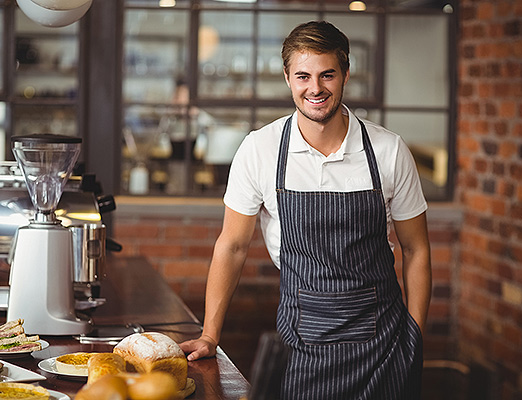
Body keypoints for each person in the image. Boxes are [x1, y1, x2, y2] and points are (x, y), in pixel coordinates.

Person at [180, 20, 432, 400]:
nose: (315, 88)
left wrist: (414, 337)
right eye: (303, 76)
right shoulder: (260, 150)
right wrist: (211, 334)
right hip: (303, 345)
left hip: (385, 345)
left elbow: (417, 249)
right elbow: (232, 246)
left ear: (345, 74)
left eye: (327, 74)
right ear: (287, 78)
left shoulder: (388, 151)